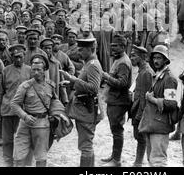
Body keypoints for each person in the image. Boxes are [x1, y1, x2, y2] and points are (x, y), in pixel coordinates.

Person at [11, 54, 69, 167]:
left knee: (41, 156)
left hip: (42, 125)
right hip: (25, 124)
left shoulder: (50, 86)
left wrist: (59, 117)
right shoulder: (25, 86)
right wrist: (25, 116)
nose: (36, 72)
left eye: (39, 70)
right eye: (33, 70)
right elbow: (14, 104)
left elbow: (55, 103)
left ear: (44, 70)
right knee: (19, 155)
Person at [60, 38, 103, 167]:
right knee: (87, 144)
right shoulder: (89, 63)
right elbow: (86, 82)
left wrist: (72, 79)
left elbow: (94, 88)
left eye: (81, 49)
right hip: (85, 109)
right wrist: (71, 82)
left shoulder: (93, 65)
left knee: (86, 146)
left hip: (87, 110)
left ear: (90, 49)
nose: (78, 52)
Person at [138, 45, 178, 167]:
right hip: (153, 123)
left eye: (159, 58)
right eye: (154, 57)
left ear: (165, 60)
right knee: (151, 158)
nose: (156, 61)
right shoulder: (158, 75)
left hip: (161, 125)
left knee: (158, 161)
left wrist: (152, 99)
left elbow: (171, 104)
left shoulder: (169, 78)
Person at [0, 44, 31, 167]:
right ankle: (8, 162)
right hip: (7, 109)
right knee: (7, 140)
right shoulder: (6, 70)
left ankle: (21, 162)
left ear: (24, 56)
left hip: (23, 111)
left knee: (22, 138)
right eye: (15, 57)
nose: (18, 59)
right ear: (11, 57)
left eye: (20, 57)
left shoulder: (30, 70)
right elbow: (1, 91)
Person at [100, 34, 132, 167]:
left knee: (117, 130)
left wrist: (106, 76)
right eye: (112, 45)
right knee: (115, 130)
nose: (112, 48)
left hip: (119, 101)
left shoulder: (123, 62)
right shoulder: (118, 59)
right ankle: (114, 156)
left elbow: (123, 83)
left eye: (116, 46)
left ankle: (116, 160)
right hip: (114, 99)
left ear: (123, 47)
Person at [129, 45, 153, 167]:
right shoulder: (141, 71)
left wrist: (140, 115)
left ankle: (139, 162)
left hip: (141, 111)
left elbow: (146, 97)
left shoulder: (147, 73)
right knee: (138, 136)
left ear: (142, 57)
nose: (131, 58)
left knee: (141, 137)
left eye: (134, 55)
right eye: (131, 55)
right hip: (137, 109)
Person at [40, 38, 69, 106]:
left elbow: (61, 82)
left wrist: (65, 99)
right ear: (41, 49)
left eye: (49, 48)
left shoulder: (56, 63)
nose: (47, 50)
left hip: (54, 96)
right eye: (45, 48)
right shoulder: (37, 62)